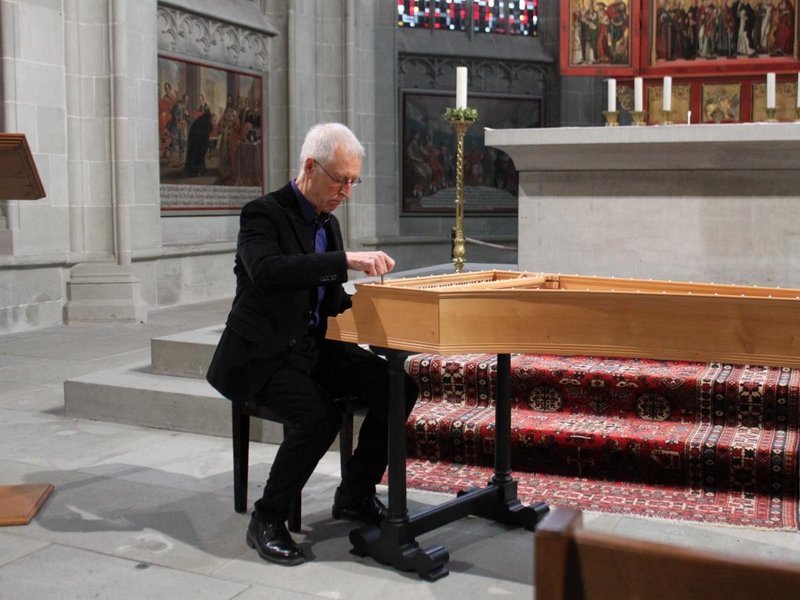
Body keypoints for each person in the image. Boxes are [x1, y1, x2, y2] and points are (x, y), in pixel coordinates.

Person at [206, 122, 418, 566]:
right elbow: (269, 271)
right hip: (262, 355)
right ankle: (267, 517)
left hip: (311, 347)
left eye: (352, 180)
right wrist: (343, 260)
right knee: (317, 416)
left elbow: (332, 300)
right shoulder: (262, 214)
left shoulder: (329, 225)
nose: (347, 190)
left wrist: (388, 312)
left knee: (398, 386)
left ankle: (354, 493)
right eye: (340, 179)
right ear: (310, 167)